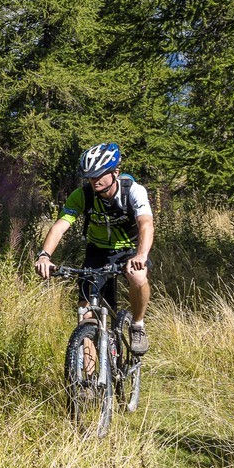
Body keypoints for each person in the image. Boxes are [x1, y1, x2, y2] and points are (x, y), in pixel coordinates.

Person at [34, 142, 154, 356]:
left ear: (115, 172)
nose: (94, 180)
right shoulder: (83, 195)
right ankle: (87, 383)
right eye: (90, 176)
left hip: (128, 250)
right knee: (85, 314)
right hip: (97, 251)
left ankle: (137, 325)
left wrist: (141, 255)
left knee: (137, 276)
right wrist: (45, 255)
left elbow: (146, 224)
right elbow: (60, 226)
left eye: (100, 174)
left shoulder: (133, 192)